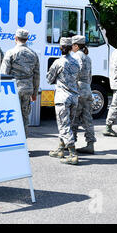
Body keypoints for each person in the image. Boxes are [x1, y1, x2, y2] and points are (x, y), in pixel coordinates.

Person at [0, 28, 40, 138]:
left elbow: (4, 74)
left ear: (15, 38)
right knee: (25, 116)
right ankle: (24, 144)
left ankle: (13, 143)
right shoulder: (33, 54)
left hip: (13, 89)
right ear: (27, 39)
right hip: (27, 89)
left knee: (11, 116)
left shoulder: (10, 53)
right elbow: (36, 76)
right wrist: (35, 93)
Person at [47, 37, 80, 165]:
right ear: (71, 48)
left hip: (62, 98)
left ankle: (72, 154)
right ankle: (61, 149)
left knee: (63, 125)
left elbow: (49, 79)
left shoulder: (58, 62)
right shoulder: (76, 62)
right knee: (67, 125)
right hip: (74, 97)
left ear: (60, 48)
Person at [71, 35, 96, 154]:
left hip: (78, 89)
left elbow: (75, 73)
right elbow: (90, 75)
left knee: (74, 117)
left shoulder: (76, 57)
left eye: (72, 45)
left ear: (76, 45)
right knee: (87, 119)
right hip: (87, 89)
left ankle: (70, 143)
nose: (71, 47)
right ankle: (90, 144)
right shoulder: (87, 57)